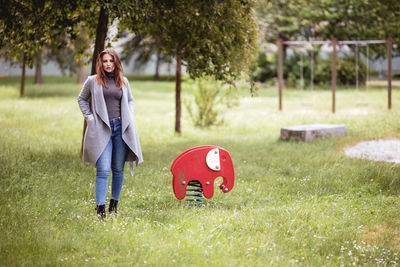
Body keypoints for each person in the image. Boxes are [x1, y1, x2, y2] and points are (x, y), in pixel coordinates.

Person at [78, 48, 143, 218]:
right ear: (100, 63)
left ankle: (113, 206)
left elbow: (130, 100)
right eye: (105, 61)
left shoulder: (124, 81)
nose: (108, 64)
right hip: (102, 129)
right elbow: (82, 99)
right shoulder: (92, 81)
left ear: (116, 63)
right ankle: (100, 210)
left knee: (118, 169)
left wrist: (129, 115)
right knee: (103, 170)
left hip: (121, 129)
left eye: (111, 61)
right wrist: (90, 119)